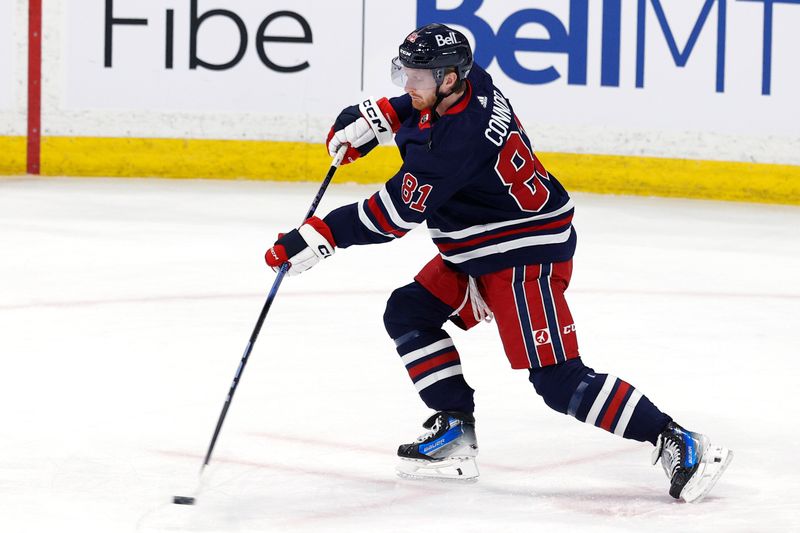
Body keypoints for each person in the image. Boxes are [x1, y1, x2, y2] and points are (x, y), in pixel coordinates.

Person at [265, 23, 732, 503]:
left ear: (448, 79)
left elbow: (391, 216)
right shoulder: (474, 82)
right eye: (405, 74)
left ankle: (677, 439)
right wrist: (381, 117)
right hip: (482, 246)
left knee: (558, 379)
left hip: (523, 255)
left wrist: (322, 235)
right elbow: (418, 110)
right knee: (409, 313)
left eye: (418, 77)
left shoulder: (454, 146)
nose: (408, 86)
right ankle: (454, 432)